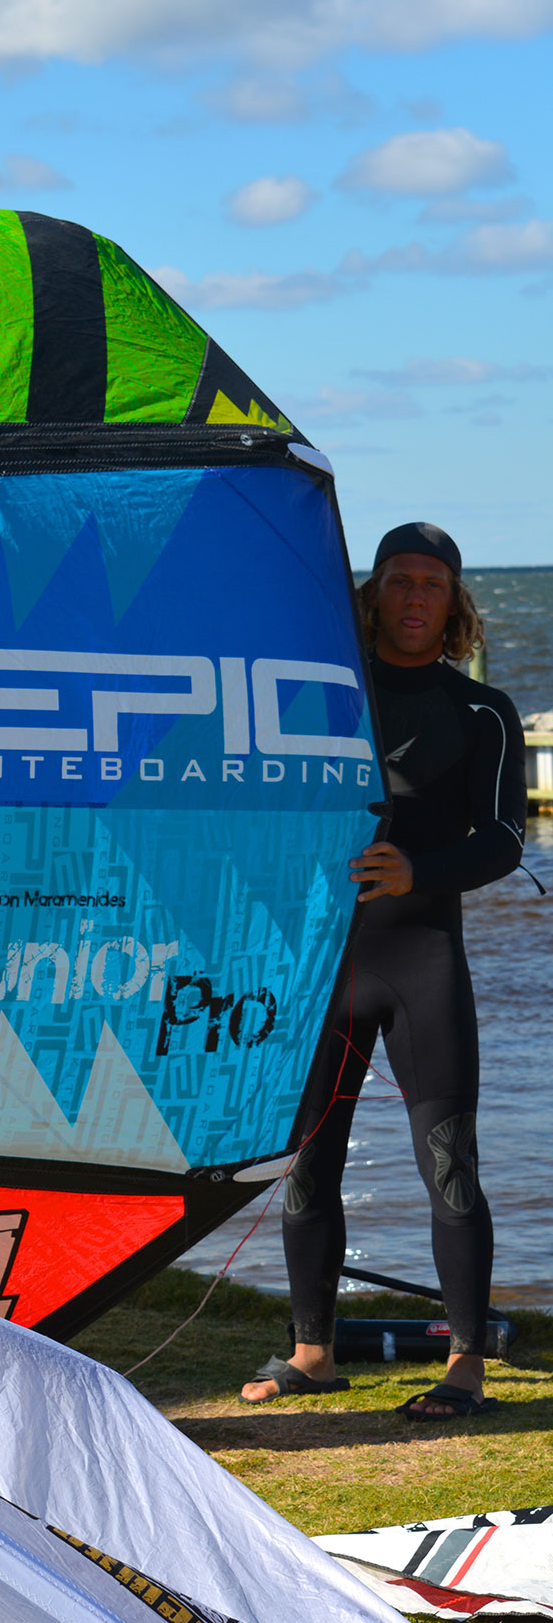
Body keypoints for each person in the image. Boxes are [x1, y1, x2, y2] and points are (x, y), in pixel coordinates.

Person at [240, 521, 527, 1420]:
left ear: (455, 603)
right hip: (321, 961)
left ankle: (467, 1368)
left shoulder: (482, 712)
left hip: (420, 961)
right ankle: (313, 1353)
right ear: (374, 594)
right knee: (307, 1165)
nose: (414, 598)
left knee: (449, 1167)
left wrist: (419, 869)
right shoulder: (326, 698)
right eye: (399, 581)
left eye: (431, 585)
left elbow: (506, 838)